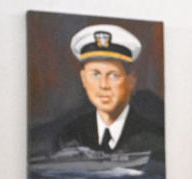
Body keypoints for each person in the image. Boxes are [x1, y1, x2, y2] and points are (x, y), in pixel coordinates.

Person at [54, 23, 163, 156]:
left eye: (113, 75)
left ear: (131, 79)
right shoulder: (70, 135)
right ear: (83, 78)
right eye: (95, 74)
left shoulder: (154, 136)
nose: (104, 85)